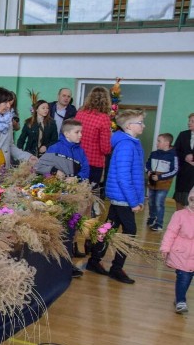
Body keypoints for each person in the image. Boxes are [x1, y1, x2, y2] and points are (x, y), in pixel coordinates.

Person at [86, 109, 146, 284]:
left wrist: (138, 199)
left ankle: (94, 261)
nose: (143, 125)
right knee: (130, 232)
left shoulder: (133, 143)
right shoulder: (126, 145)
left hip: (123, 197)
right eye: (140, 122)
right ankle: (116, 268)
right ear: (128, 126)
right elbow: (123, 176)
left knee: (109, 229)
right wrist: (134, 201)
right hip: (123, 198)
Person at [34, 119, 89, 278]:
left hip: (72, 197)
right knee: (55, 229)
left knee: (70, 230)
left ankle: (67, 264)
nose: (80, 135)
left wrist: (77, 178)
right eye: (77, 132)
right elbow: (39, 167)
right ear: (66, 133)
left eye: (81, 132)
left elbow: (86, 170)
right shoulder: (55, 148)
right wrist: (53, 172)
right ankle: (50, 263)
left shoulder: (80, 151)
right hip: (55, 196)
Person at [75, 86, 113, 199]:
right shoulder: (104, 118)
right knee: (89, 195)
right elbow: (105, 148)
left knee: (76, 192)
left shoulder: (80, 114)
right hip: (94, 161)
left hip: (77, 158)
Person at [160, 188, 194, 314]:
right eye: (192, 200)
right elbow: (170, 232)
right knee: (183, 277)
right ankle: (181, 301)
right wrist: (165, 248)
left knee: (189, 277)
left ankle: (180, 296)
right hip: (181, 253)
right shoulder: (179, 215)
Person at [146, 133, 179, 232]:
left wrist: (160, 177)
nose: (157, 143)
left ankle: (159, 223)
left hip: (164, 184)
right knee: (151, 201)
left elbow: (174, 171)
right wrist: (148, 171)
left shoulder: (173, 156)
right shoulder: (154, 153)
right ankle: (152, 218)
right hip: (152, 182)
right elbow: (147, 164)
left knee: (159, 203)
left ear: (167, 143)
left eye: (159, 141)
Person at [173, 113, 194, 210]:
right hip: (183, 173)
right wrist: (185, 156)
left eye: (192, 121)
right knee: (180, 199)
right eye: (189, 120)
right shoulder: (183, 134)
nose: (189, 123)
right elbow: (175, 151)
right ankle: (180, 222)